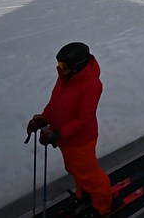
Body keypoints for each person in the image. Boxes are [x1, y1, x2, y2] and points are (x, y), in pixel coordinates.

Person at [26, 43, 111, 217]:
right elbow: (55, 104)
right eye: (58, 64)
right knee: (74, 170)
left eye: (63, 65)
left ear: (77, 65)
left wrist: (58, 133)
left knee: (90, 175)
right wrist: (43, 119)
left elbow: (84, 120)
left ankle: (102, 206)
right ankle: (83, 195)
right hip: (64, 139)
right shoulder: (65, 76)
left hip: (81, 140)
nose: (59, 68)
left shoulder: (91, 84)